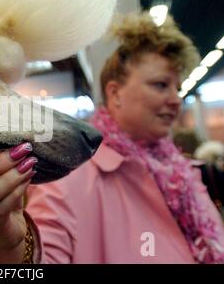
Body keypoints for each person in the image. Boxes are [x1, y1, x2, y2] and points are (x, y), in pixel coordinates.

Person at [25, 13, 224, 263]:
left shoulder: (182, 175)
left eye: (177, 88)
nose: (176, 99)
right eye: (161, 85)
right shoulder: (68, 178)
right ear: (115, 93)